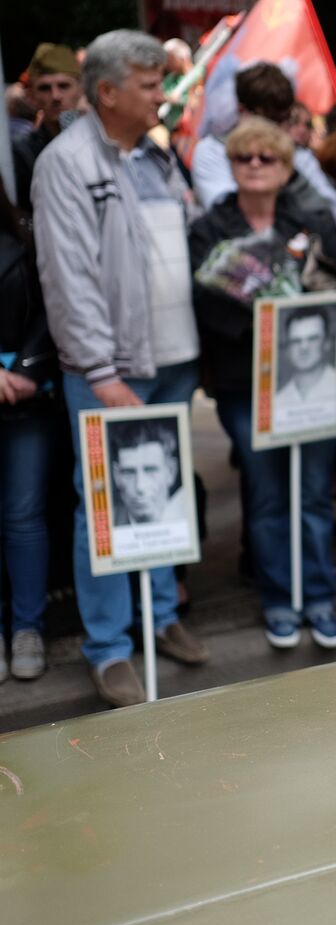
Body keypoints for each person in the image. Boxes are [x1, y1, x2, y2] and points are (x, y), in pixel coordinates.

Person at [32, 29, 208, 708]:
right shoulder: (68, 162)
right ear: (107, 92)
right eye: (149, 84)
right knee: (104, 506)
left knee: (160, 495)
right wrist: (100, 370)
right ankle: (108, 647)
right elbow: (68, 280)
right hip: (115, 370)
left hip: (174, 358)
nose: (161, 95)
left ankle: (161, 615)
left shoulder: (154, 157)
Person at [189, 116, 336, 649]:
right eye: (245, 158)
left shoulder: (308, 223)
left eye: (269, 158)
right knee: (265, 495)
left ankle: (317, 596)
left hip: (310, 383)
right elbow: (202, 303)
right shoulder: (209, 230)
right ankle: (277, 599)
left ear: (288, 168)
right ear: (232, 166)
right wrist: (264, 320)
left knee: (312, 494)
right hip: (246, 383)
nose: (256, 166)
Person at [0, 181, 58, 682]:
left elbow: (51, 305)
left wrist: (25, 370)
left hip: (24, 393)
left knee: (23, 516)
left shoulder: (25, 230)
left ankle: (27, 628)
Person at [191, 62, 336, 227]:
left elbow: (335, 215)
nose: (279, 130)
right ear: (243, 112)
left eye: (285, 119)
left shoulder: (297, 155)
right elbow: (227, 216)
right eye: (270, 120)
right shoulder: (211, 151)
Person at [12, 44, 83, 214]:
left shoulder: (102, 141)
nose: (56, 96)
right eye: (45, 88)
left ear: (80, 90)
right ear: (32, 97)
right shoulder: (24, 151)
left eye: (64, 86)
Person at [108, 419, 187, 526]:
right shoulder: (107, 523)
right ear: (116, 476)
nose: (140, 487)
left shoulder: (188, 516)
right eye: (129, 473)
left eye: (150, 470)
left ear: (171, 471)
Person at [274, 305, 336, 426]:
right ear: (287, 347)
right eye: (296, 341)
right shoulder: (278, 399)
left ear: (327, 343)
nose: (304, 348)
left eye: (313, 339)